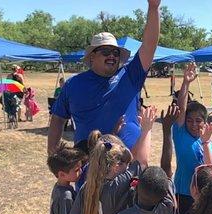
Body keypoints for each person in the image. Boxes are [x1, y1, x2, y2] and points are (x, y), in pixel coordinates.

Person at [48, 0, 161, 154]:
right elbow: (58, 118)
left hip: (128, 165)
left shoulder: (130, 76)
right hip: (89, 164)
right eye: (106, 52)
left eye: (115, 53)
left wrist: (153, 8)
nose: (112, 56)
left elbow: (149, 46)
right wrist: (53, 154)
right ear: (92, 57)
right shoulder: (73, 84)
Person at [172, 62, 212, 214]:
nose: (193, 124)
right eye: (189, 121)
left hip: (204, 197)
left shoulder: (210, 146)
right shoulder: (181, 135)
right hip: (183, 195)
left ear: (205, 123)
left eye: (198, 121)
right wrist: (186, 83)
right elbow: (181, 108)